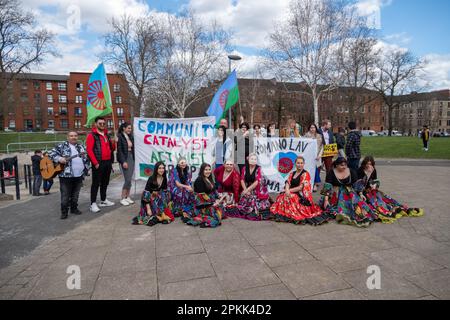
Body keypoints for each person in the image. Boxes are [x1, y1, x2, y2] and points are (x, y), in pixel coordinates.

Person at [357, 156, 424, 223]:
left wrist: (374, 185)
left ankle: (390, 208)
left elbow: (375, 181)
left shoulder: (373, 170)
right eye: (367, 164)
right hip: (362, 191)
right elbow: (360, 185)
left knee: (384, 199)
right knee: (373, 202)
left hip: (371, 190)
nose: (369, 165)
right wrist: (368, 174)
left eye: (370, 164)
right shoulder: (360, 170)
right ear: (364, 163)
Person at [270, 156, 331, 225]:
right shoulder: (292, 173)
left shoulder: (305, 174)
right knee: (281, 197)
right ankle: (286, 212)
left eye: (301, 163)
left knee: (291, 197)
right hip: (290, 191)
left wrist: (289, 191)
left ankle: (292, 212)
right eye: (298, 163)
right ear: (295, 164)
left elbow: (300, 187)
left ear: (304, 164)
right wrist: (286, 190)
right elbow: (288, 182)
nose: (300, 164)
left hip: (300, 195)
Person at [320, 157, 376, 227]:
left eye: (345, 165)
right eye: (342, 165)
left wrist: (361, 194)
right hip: (336, 193)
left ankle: (361, 215)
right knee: (338, 208)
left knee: (359, 205)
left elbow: (357, 185)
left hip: (349, 192)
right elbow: (327, 187)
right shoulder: (331, 172)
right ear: (337, 165)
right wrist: (326, 200)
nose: (344, 167)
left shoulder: (351, 171)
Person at [48, 131, 90, 219]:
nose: (73, 137)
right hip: (65, 176)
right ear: (67, 137)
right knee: (65, 195)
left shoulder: (81, 146)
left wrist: (86, 167)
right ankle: (64, 212)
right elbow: (50, 153)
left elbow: (86, 158)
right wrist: (59, 158)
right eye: (71, 136)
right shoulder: (62, 146)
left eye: (75, 136)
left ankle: (74, 209)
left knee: (75, 194)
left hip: (79, 175)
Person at [86, 116, 116, 213]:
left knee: (105, 182)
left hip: (108, 162)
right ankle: (93, 203)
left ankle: (103, 200)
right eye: (100, 123)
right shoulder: (92, 135)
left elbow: (112, 149)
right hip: (99, 163)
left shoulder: (107, 134)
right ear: (96, 124)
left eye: (103, 123)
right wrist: (95, 163)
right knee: (96, 183)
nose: (102, 125)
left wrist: (114, 142)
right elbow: (89, 150)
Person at [181, 163, 224, 228]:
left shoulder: (209, 178)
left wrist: (219, 196)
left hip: (211, 202)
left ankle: (208, 218)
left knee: (221, 208)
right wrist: (213, 203)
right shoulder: (199, 180)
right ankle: (206, 222)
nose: (208, 171)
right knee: (216, 216)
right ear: (202, 171)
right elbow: (201, 197)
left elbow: (214, 190)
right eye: (206, 170)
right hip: (203, 205)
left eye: (209, 169)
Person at [132, 161, 174, 226]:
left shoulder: (164, 178)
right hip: (148, 200)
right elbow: (146, 194)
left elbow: (165, 192)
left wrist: (167, 204)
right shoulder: (151, 178)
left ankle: (161, 213)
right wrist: (148, 209)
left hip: (158, 199)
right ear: (156, 169)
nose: (161, 170)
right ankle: (156, 213)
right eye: (159, 168)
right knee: (151, 216)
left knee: (165, 193)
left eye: (163, 168)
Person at [237, 153, 271, 220]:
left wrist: (247, 190)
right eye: (251, 159)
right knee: (244, 200)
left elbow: (257, 182)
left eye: (255, 159)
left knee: (252, 200)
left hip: (258, 188)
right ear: (248, 159)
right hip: (249, 187)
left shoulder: (259, 168)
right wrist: (245, 189)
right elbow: (242, 180)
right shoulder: (244, 168)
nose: (253, 160)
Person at [116, 122, 135, 206]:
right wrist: (123, 161)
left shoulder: (130, 136)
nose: (130, 130)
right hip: (125, 158)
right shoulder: (120, 137)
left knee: (130, 179)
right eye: (128, 128)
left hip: (131, 157)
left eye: (130, 128)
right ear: (123, 128)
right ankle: (123, 198)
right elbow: (119, 151)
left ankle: (128, 196)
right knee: (127, 179)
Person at [303, 123, 324, 192]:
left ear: (316, 128)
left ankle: (315, 184)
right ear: (309, 128)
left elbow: (322, 147)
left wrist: (320, 155)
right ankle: (311, 183)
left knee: (316, 170)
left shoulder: (319, 136)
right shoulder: (306, 136)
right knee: (311, 170)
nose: (312, 129)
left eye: (314, 127)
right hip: (309, 156)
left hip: (317, 156)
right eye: (311, 127)